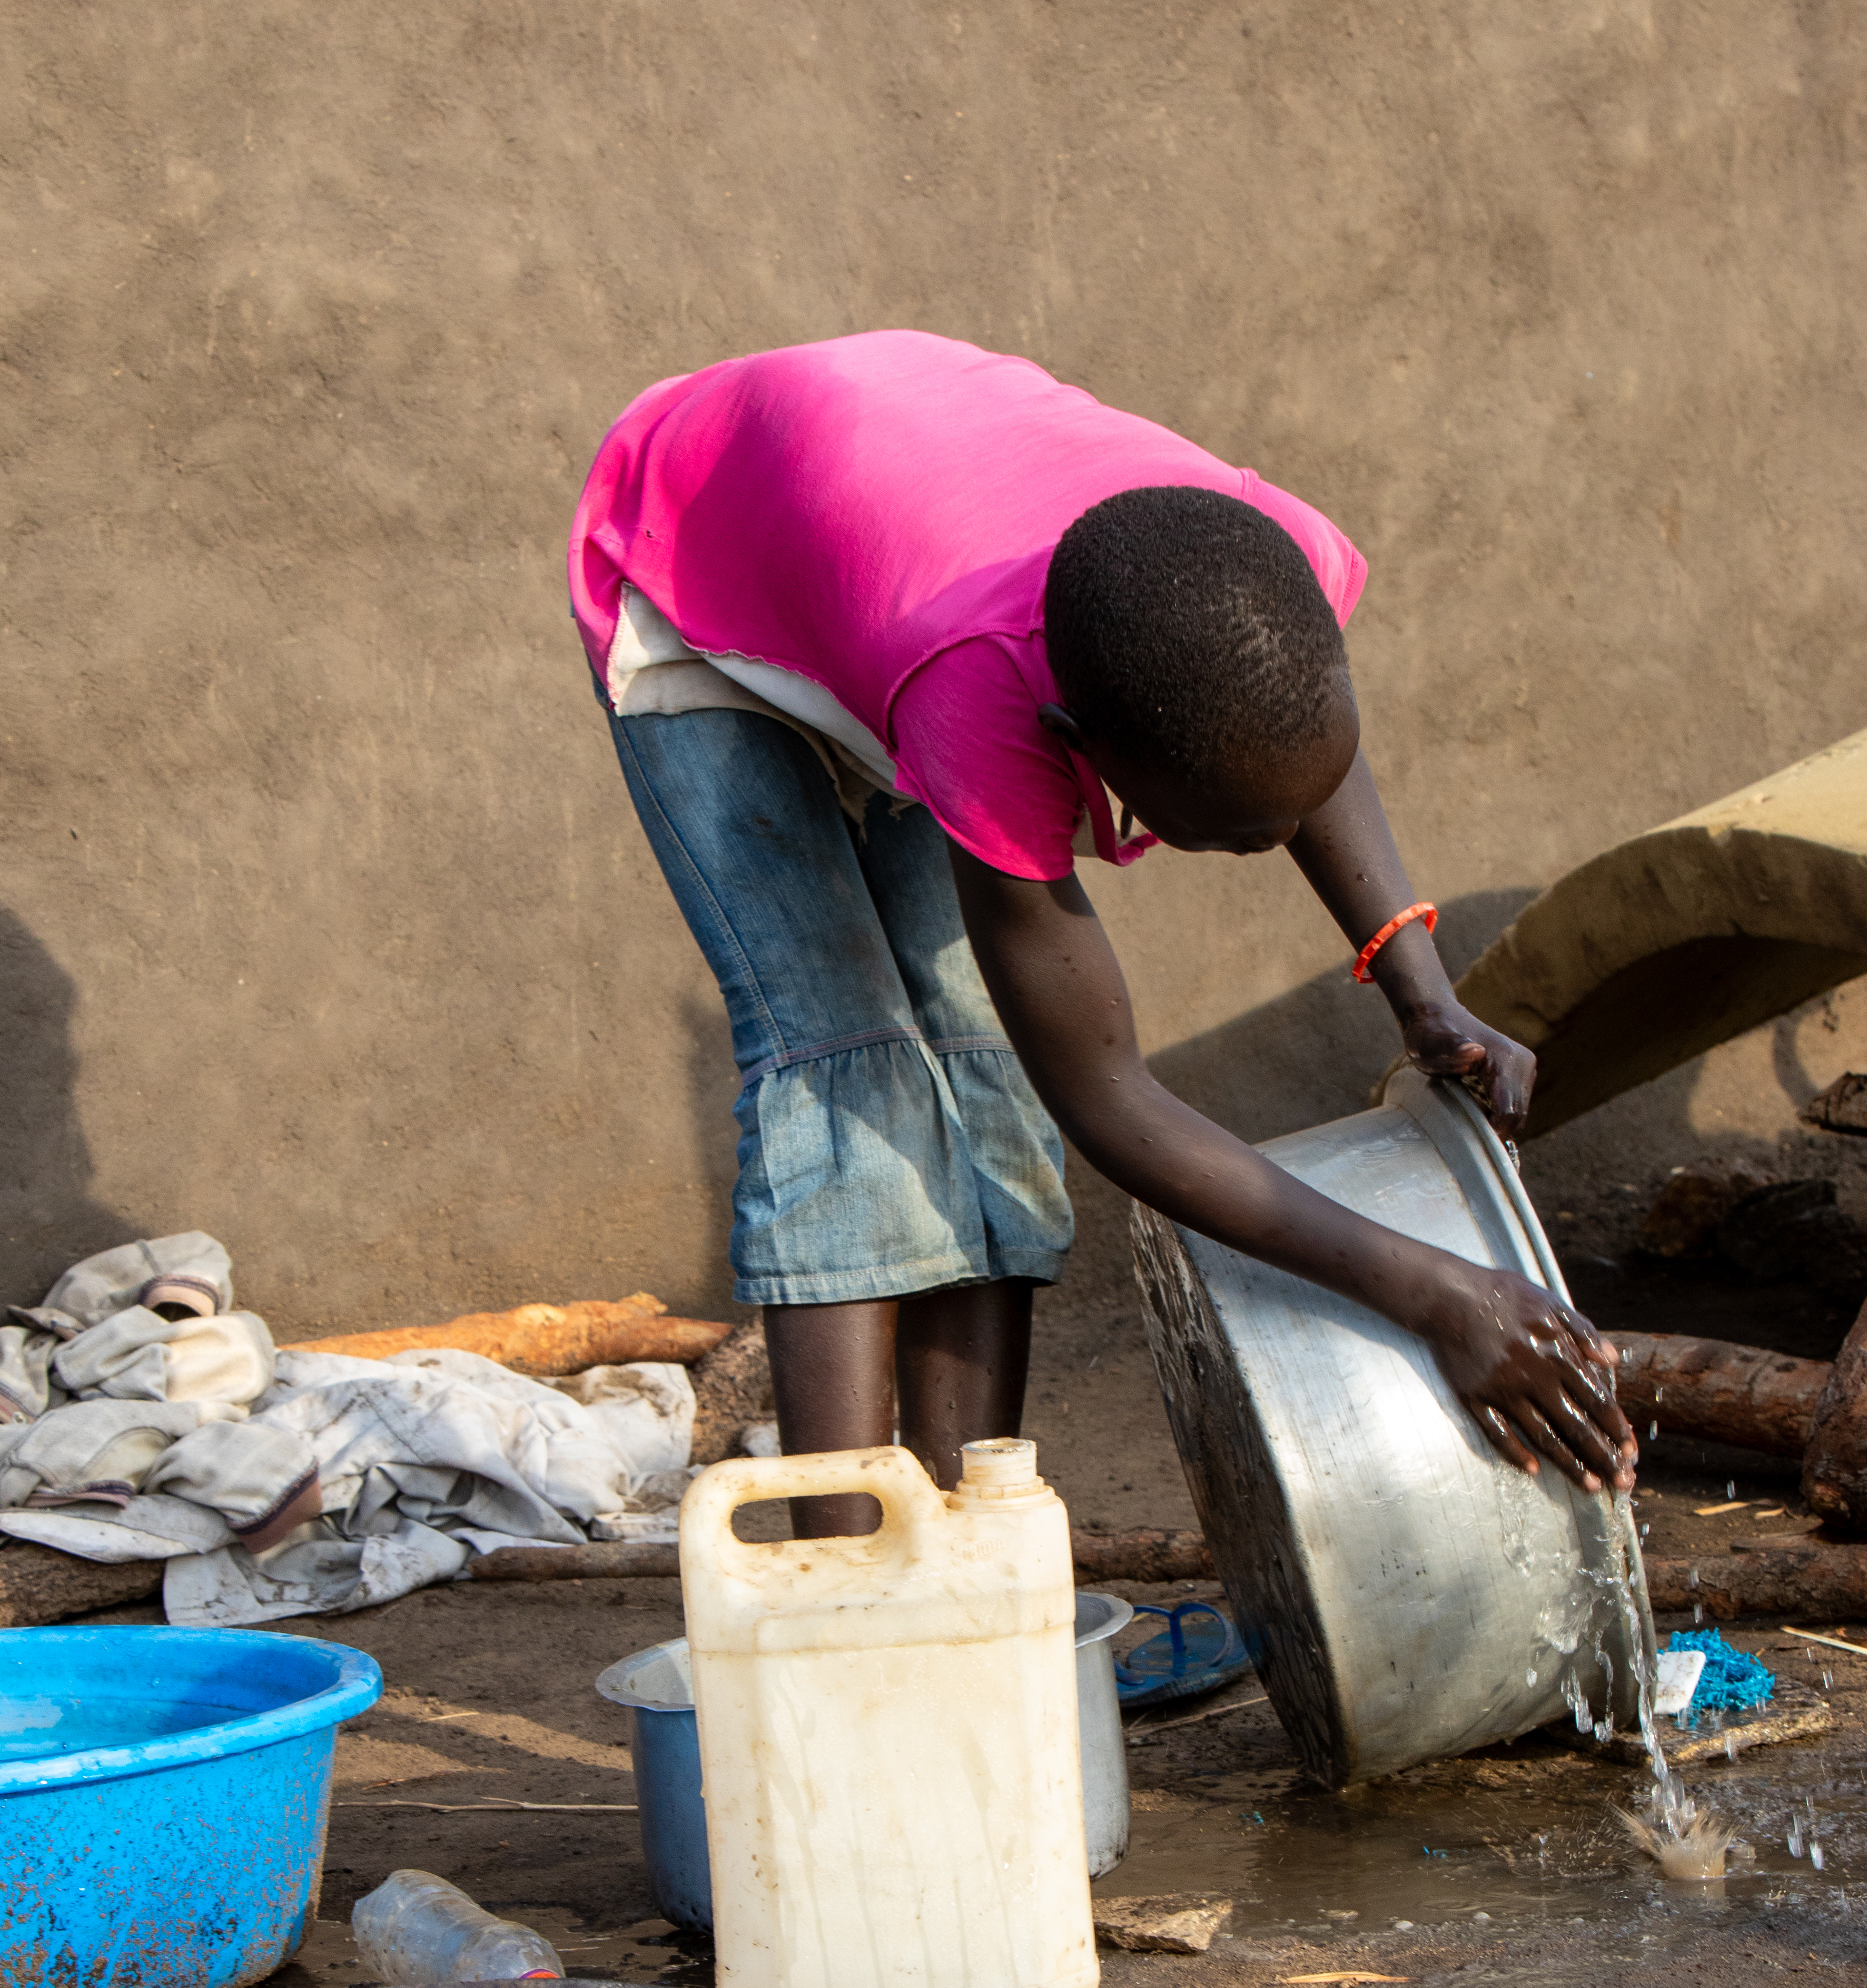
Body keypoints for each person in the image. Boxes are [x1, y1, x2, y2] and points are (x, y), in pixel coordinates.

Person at [572, 327, 1633, 1529]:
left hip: (882, 525)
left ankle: (978, 1526)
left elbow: (1303, 756)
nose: (1261, 847)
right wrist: (1433, 1291)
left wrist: (1421, 989)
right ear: (1071, 745)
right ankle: (848, 1566)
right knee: (841, 1062)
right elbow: (1107, 1096)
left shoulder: (1264, 565)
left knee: (976, 1057)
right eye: (1229, 835)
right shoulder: (978, 696)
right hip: (696, 564)